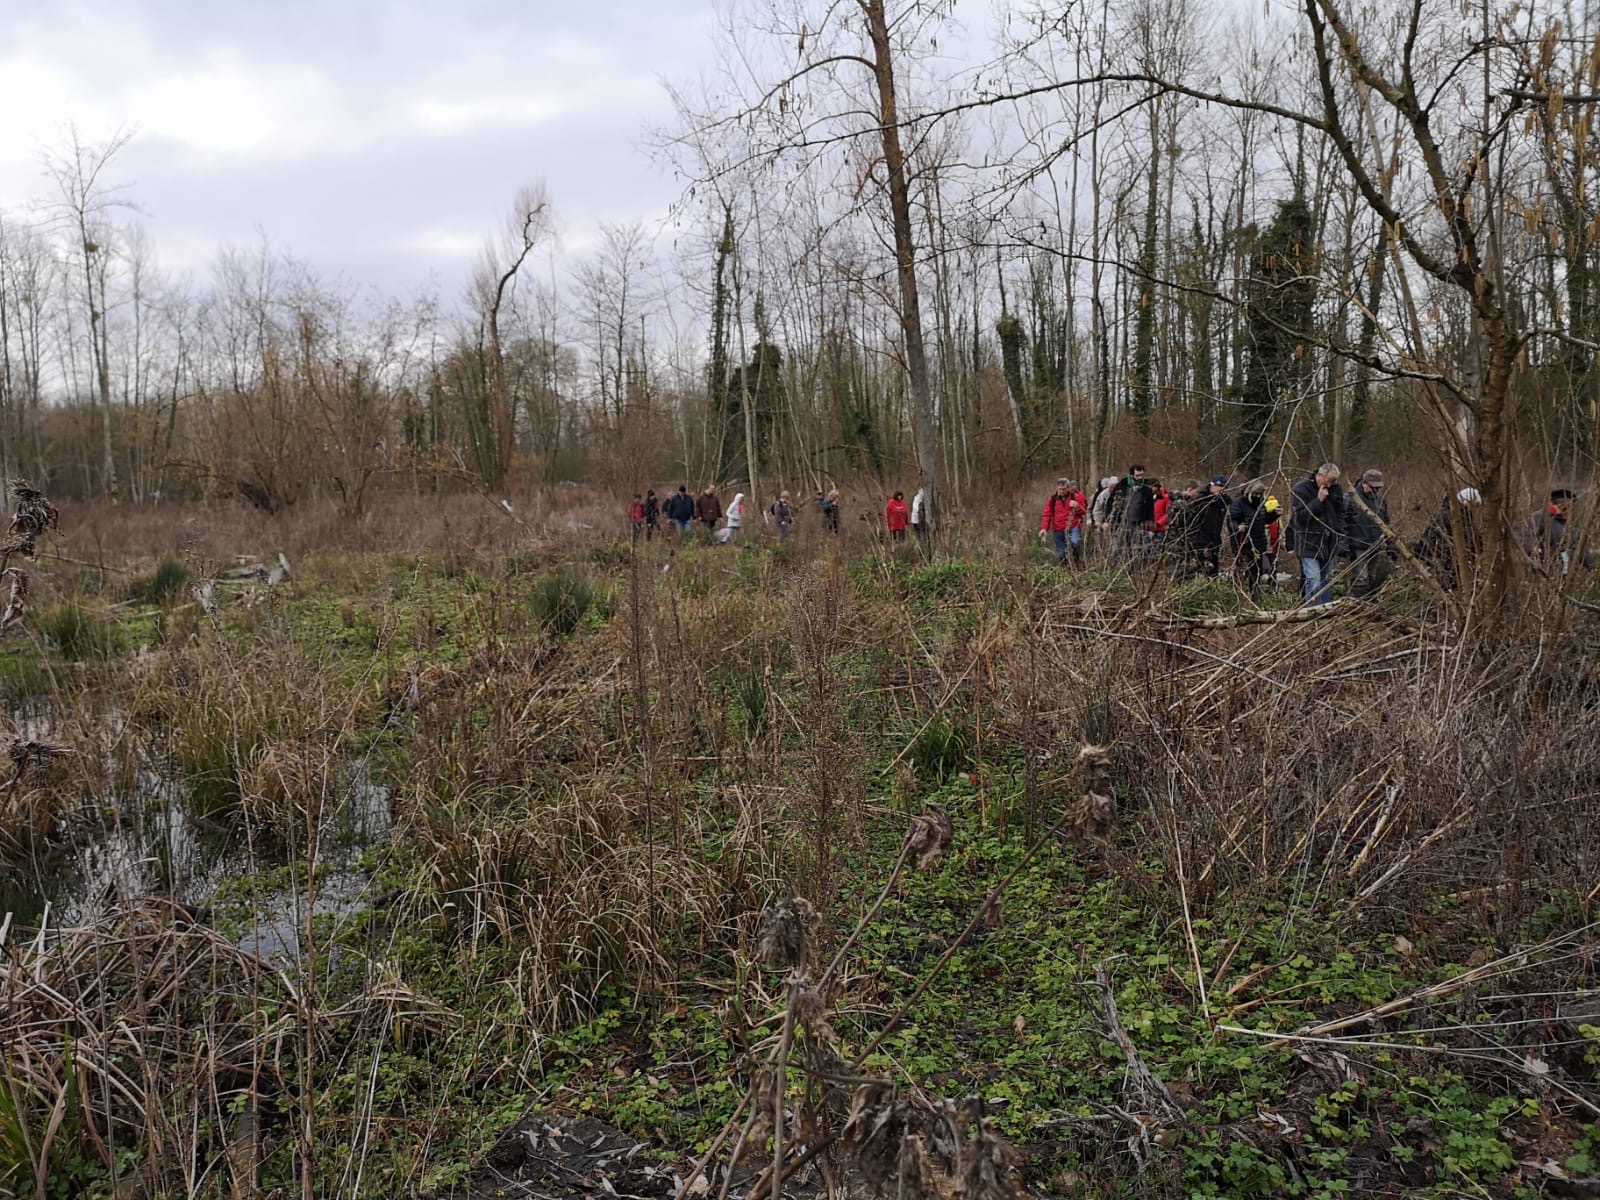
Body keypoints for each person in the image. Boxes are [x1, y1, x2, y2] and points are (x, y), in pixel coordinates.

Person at [1290, 463, 1348, 606]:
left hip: (1329, 542)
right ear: (1319, 476)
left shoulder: (1336, 489)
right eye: (1329, 480)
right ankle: (1311, 611)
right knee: (1313, 579)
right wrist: (1318, 501)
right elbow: (1299, 517)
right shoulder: (1301, 489)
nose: (1331, 484)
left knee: (1326, 580)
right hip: (1308, 541)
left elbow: (1341, 512)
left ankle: (1325, 610)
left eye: (1334, 481)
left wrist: (1338, 531)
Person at [1414, 487, 1481, 590]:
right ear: (1466, 501)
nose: (1475, 509)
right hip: (1446, 568)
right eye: (1474, 505)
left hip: (1457, 567)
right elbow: (1434, 543)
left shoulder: (1465, 518)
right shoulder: (1447, 517)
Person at [1344, 469, 1394, 597]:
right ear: (1364, 483)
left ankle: (1369, 604)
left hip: (1375, 545)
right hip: (1357, 545)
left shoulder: (1380, 501)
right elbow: (1342, 524)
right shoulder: (1350, 499)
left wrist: (1390, 545)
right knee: (1361, 577)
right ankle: (1358, 604)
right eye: (1373, 488)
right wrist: (1343, 545)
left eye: (1378, 488)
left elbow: (1386, 524)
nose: (1376, 491)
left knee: (1372, 576)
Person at [1522, 488, 1592, 574]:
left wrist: (1592, 566)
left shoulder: (1569, 526)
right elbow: (1527, 537)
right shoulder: (1539, 518)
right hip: (1543, 571)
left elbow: (1579, 548)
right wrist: (1534, 549)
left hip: (1564, 573)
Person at [1108, 465, 1156, 563]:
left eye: (1142, 475)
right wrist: (1109, 520)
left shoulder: (1146, 489)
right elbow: (1110, 502)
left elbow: (1150, 509)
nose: (1140, 478)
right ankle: (1113, 567)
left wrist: (1150, 527)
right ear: (1131, 475)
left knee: (1136, 548)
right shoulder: (1122, 486)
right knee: (1116, 548)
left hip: (1137, 523)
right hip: (1121, 523)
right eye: (1137, 475)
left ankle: (1133, 568)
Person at [1229, 482, 1272, 589]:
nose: (1258, 496)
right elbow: (1231, 520)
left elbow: (1265, 519)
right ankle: (1239, 592)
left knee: (1256, 572)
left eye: (1260, 494)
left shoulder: (1262, 503)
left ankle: (1254, 595)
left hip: (1258, 544)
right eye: (1255, 494)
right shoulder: (1238, 503)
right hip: (1243, 543)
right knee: (1242, 571)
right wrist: (1238, 527)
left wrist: (1275, 515)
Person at [1038, 477, 1087, 565]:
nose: (1061, 491)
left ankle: (1077, 560)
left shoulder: (1076, 497)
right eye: (1060, 489)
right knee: (1062, 554)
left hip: (1073, 526)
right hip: (1058, 528)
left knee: (1075, 542)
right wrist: (1044, 528)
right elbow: (1047, 514)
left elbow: (1084, 511)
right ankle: (1066, 569)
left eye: (1064, 489)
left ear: (1068, 488)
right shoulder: (1053, 499)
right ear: (1057, 488)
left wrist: (1077, 507)